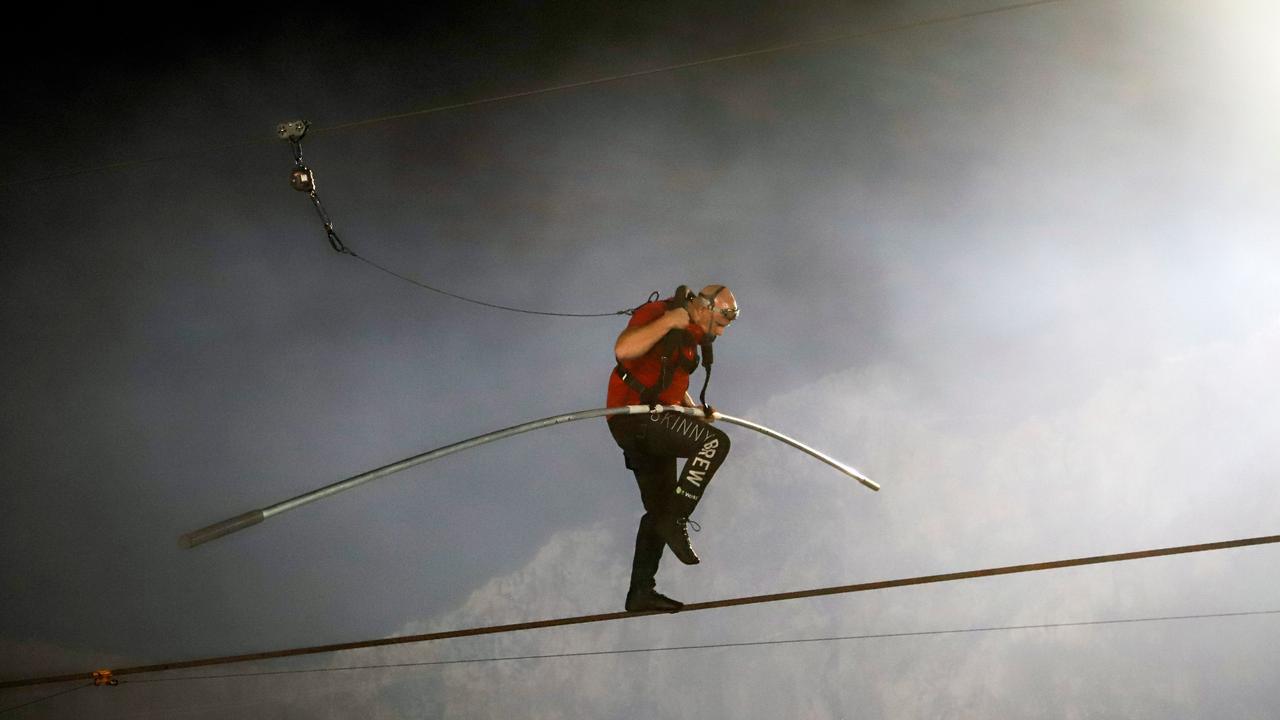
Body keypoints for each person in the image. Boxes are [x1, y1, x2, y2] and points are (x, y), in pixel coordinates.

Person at [606, 285, 740, 612]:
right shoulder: (662, 315)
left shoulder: (691, 337)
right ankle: (676, 519)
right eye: (720, 324)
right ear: (706, 308)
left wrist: (695, 411)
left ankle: (641, 592)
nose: (721, 333)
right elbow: (624, 349)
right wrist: (669, 322)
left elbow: (669, 385)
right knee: (714, 444)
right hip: (636, 417)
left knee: (659, 509)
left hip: (652, 422)